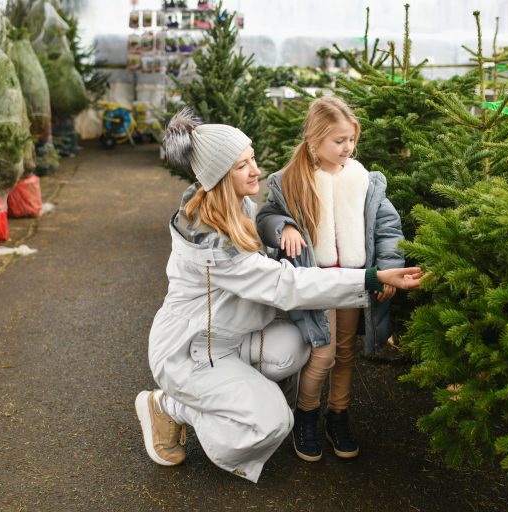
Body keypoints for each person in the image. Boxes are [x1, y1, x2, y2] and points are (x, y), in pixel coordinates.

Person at [135, 107, 422, 483]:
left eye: (252, 157)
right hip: (190, 353)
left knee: (295, 346)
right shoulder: (214, 246)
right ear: (220, 176)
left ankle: (239, 397)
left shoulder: (237, 206)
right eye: (242, 165)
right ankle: (173, 406)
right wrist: (369, 278)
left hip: (228, 338)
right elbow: (287, 284)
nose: (255, 169)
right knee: (274, 424)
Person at [256, 96, 403, 462]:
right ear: (314, 139)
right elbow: (266, 217)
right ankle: (305, 415)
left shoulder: (364, 180)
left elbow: (388, 226)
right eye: (339, 141)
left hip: (355, 279)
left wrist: (387, 265)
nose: (348, 148)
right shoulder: (290, 181)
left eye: (352, 139)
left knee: (345, 352)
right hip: (314, 284)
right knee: (321, 355)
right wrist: (284, 226)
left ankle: (338, 415)